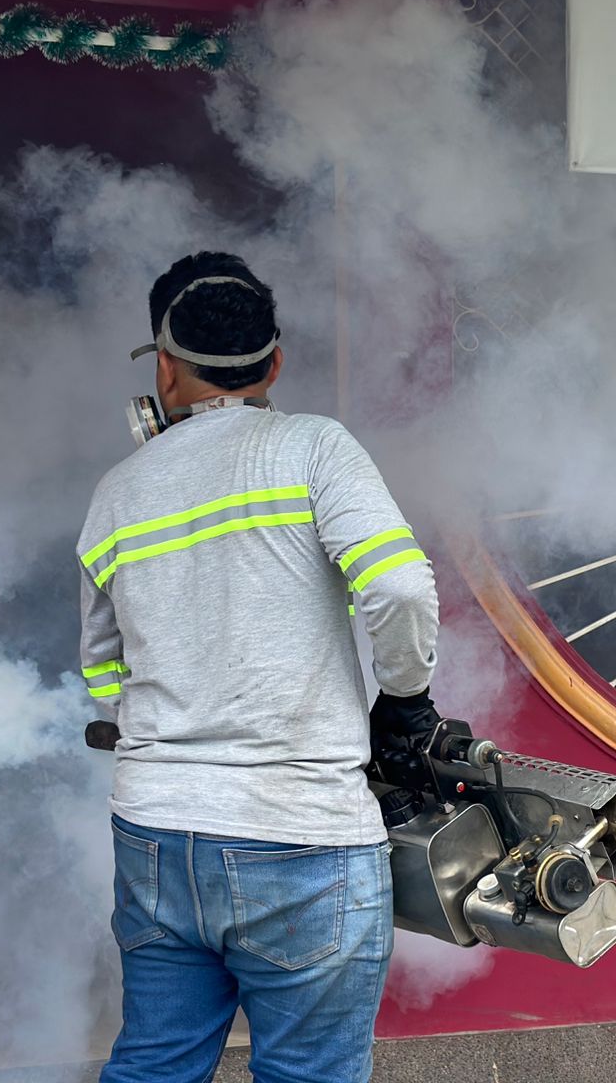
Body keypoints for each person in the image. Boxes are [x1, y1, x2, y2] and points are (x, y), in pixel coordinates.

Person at [78, 252, 441, 1083]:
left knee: (154, 1067)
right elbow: (397, 586)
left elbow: (101, 672)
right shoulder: (314, 447)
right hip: (301, 835)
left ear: (164, 370)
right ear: (274, 364)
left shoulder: (116, 492)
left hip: (157, 835)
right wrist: (405, 698)